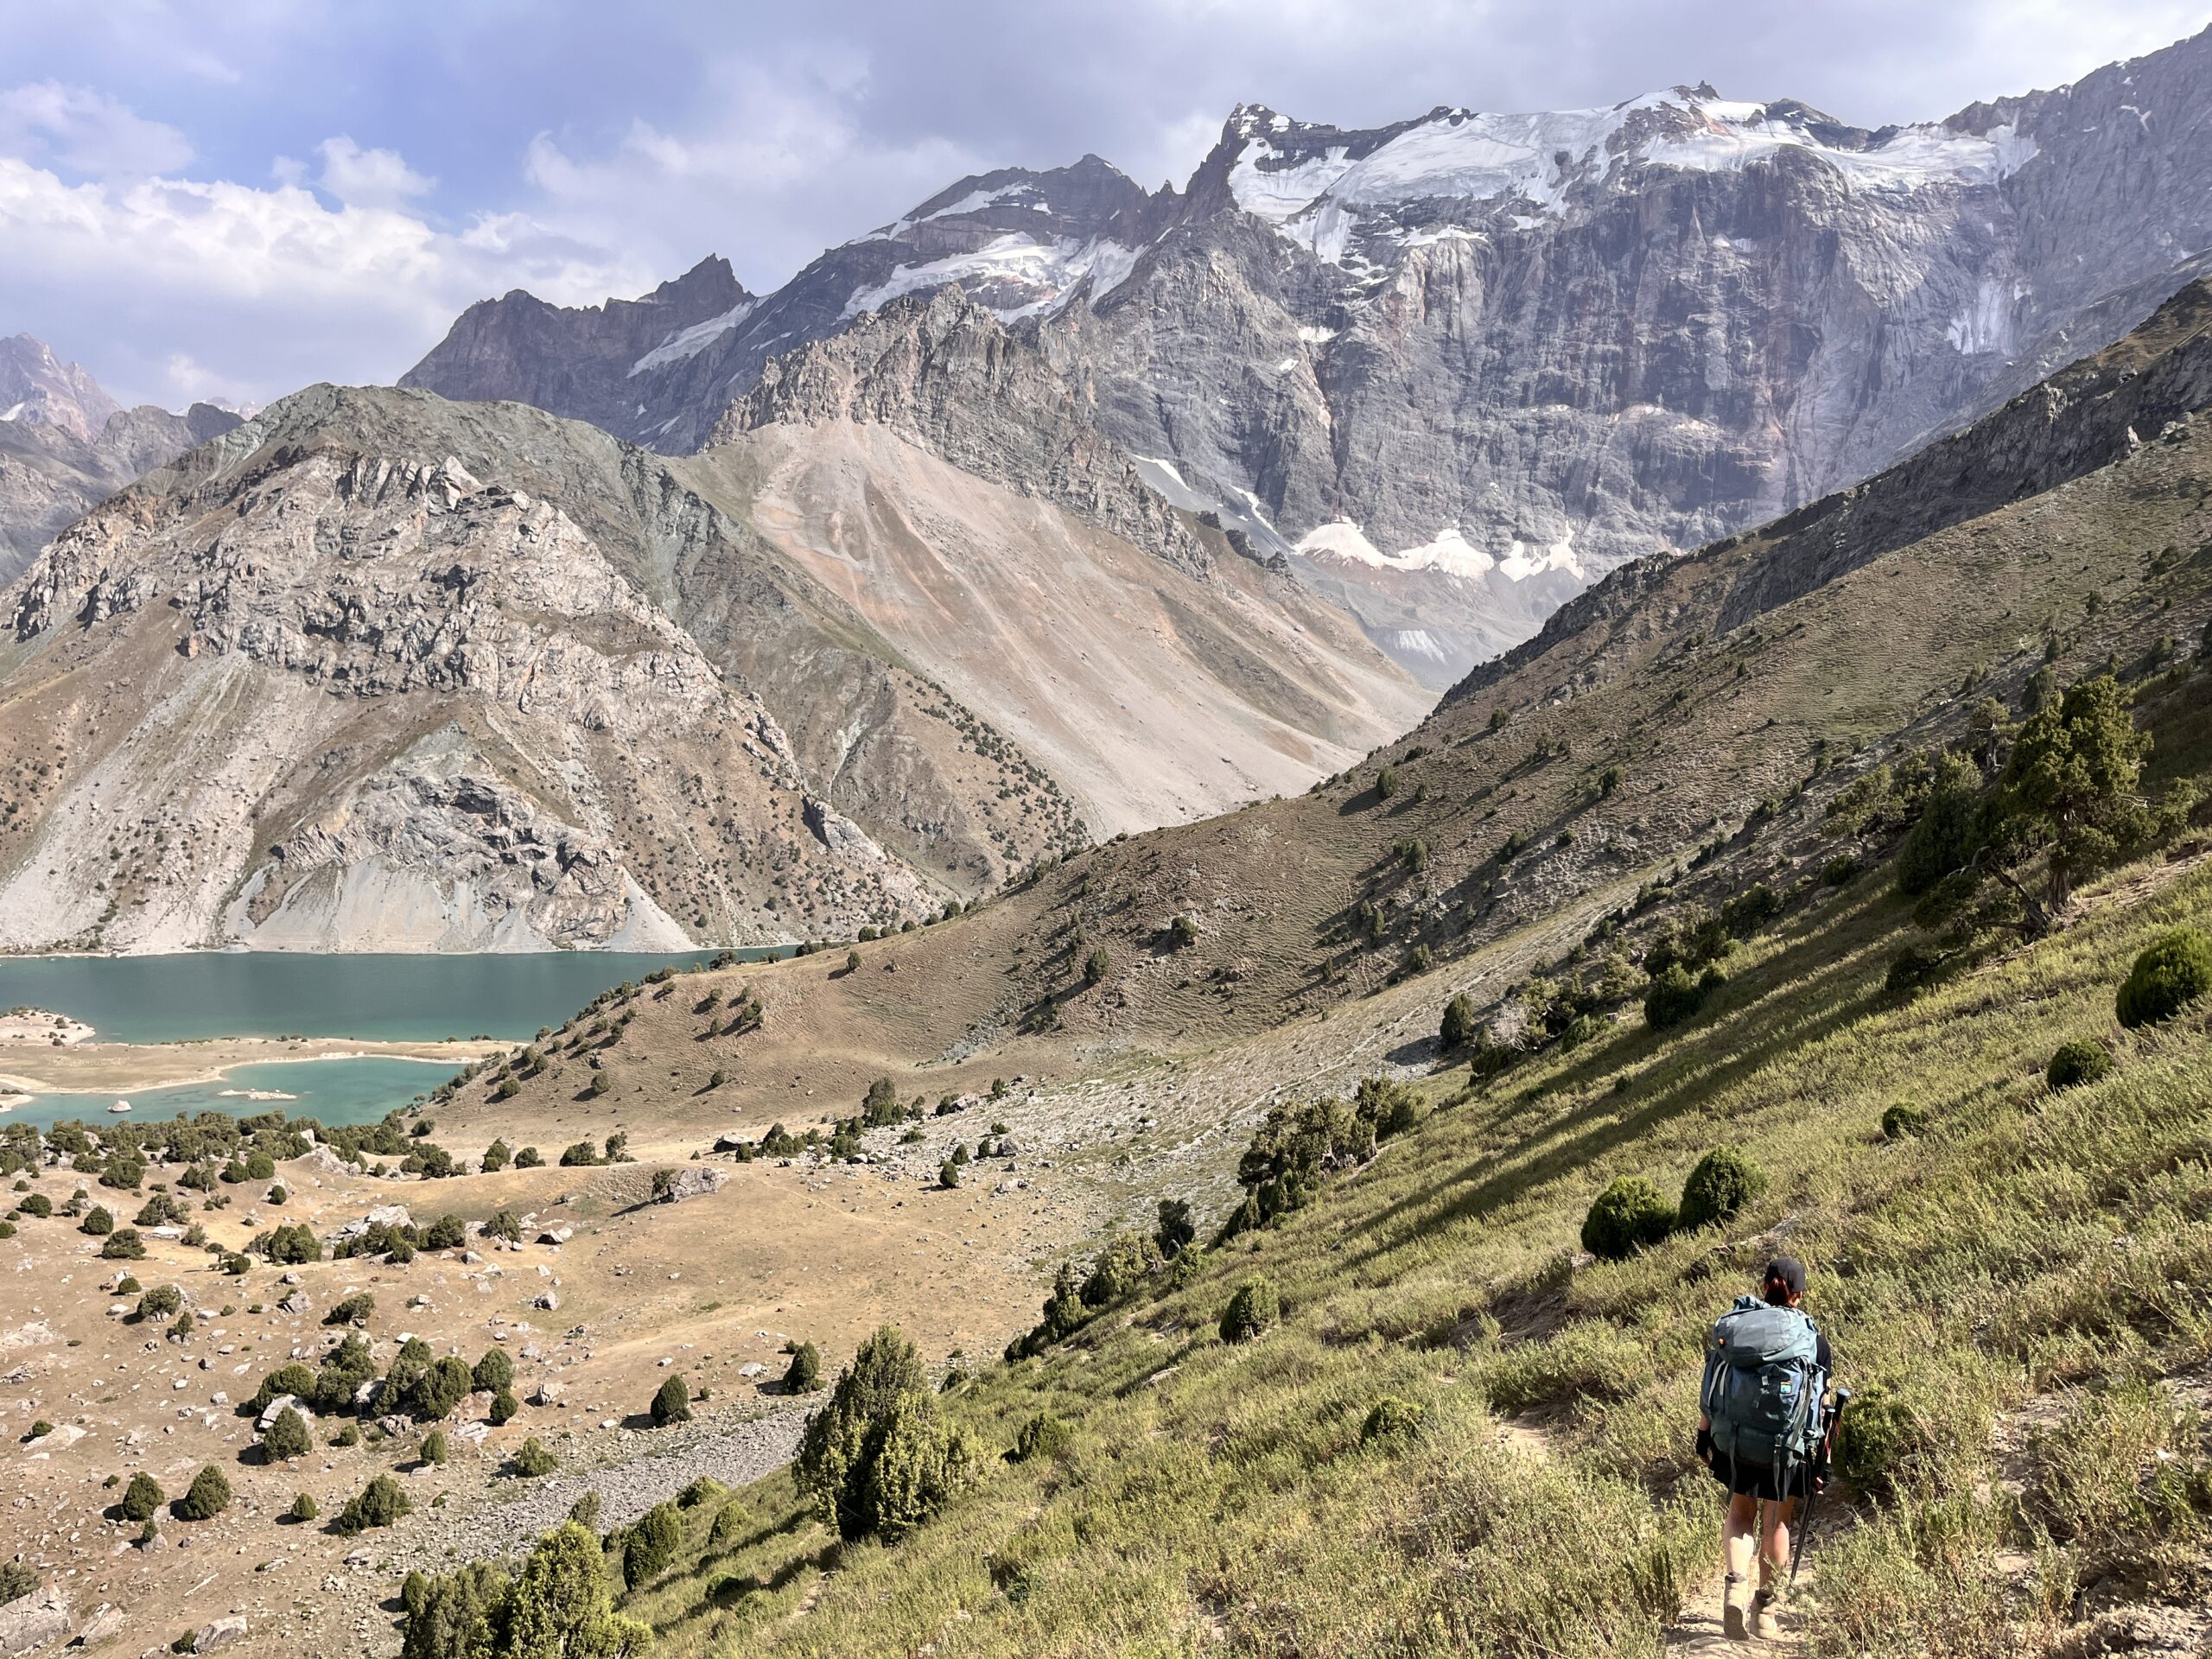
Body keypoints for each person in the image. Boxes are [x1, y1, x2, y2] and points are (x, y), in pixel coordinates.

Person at [1696, 1255, 1834, 1641]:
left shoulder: (1738, 1328)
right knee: (1777, 1522)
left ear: (1765, 1287)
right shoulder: (1813, 1341)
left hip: (1735, 1440)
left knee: (1741, 1514)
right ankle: (1764, 1613)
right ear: (1800, 1295)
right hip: (1786, 1447)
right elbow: (1818, 1405)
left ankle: (1735, 1587)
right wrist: (1821, 1461)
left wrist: (1705, 1434)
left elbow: (1711, 1384)